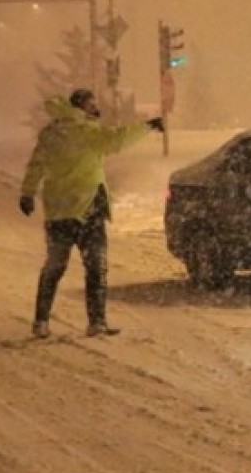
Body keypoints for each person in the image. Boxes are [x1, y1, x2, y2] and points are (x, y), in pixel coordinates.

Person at [19, 88, 165, 338]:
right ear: (82, 106)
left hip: (58, 211)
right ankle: (96, 322)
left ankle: (41, 322)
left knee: (54, 267)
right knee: (96, 267)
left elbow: (36, 164)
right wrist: (148, 126)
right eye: (92, 104)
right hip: (88, 208)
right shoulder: (86, 131)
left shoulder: (51, 133)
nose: (96, 108)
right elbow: (116, 140)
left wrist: (28, 193)